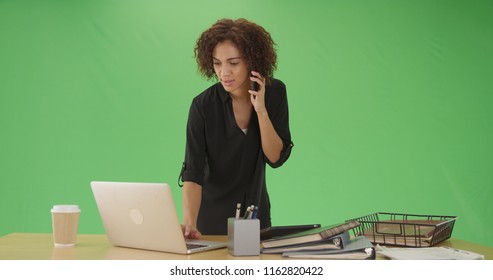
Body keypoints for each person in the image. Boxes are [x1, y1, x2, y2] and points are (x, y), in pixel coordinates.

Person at [179, 18, 293, 238]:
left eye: (233, 63)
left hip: (256, 221)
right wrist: (189, 224)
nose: (224, 73)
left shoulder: (275, 92)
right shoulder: (202, 107)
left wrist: (261, 110)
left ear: (252, 60)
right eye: (217, 63)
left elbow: (275, 157)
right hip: (210, 226)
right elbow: (193, 173)